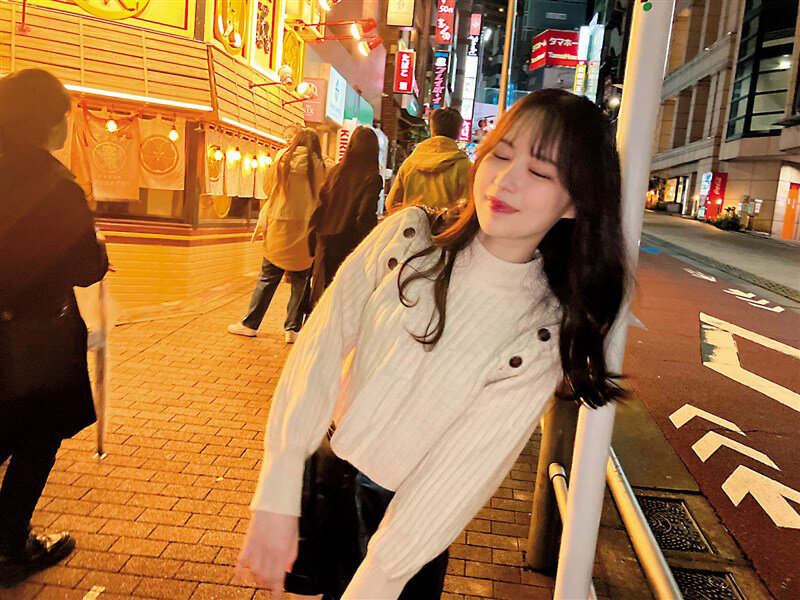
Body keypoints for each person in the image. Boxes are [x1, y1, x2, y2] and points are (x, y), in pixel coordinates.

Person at [237, 89, 628, 599]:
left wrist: (380, 578)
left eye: (539, 172)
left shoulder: (542, 330)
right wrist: (280, 483)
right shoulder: (409, 236)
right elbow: (323, 340)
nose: (505, 180)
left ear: (575, 201)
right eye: (501, 155)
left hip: (408, 522)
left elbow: (461, 471)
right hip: (326, 471)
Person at [0, 69, 109, 586]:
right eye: (65, 115)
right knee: (37, 435)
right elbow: (86, 268)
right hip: (36, 338)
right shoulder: (58, 187)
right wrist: (100, 248)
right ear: (48, 121)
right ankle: (9, 544)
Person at [229, 128, 325, 343]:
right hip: (305, 228)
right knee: (301, 281)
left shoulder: (282, 160)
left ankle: (250, 324)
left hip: (279, 225)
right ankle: (292, 328)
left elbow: (268, 187)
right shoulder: (320, 166)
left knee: (267, 277)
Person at [308, 126, 382, 308]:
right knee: (341, 303)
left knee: (320, 299)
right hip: (348, 246)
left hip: (324, 244)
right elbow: (364, 217)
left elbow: (319, 207)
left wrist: (312, 239)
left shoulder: (335, 172)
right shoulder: (372, 177)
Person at [384, 107, 470, 212]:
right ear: (458, 133)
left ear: (432, 130)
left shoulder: (410, 163)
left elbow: (391, 204)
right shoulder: (465, 166)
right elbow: (468, 208)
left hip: (412, 221)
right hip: (447, 222)